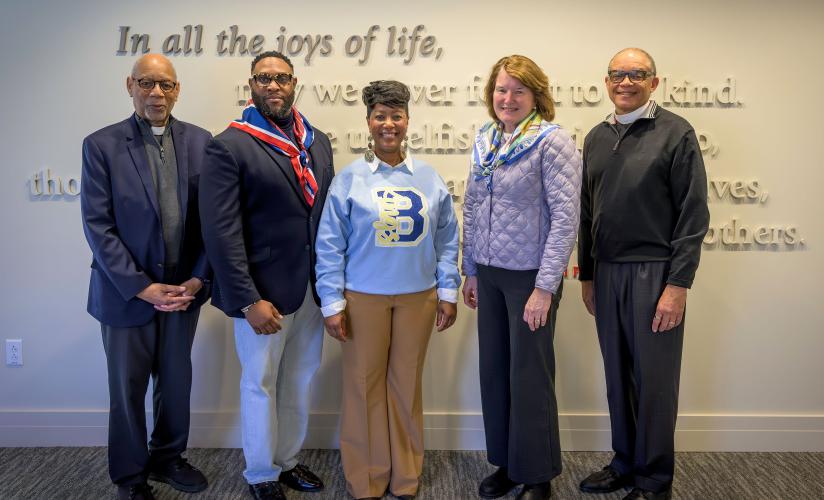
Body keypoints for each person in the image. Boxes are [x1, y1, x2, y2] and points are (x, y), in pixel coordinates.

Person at [315, 80, 460, 500]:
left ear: (408, 121)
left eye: (396, 116)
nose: (388, 124)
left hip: (418, 296)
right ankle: (367, 479)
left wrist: (448, 291)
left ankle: (406, 477)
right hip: (363, 298)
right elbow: (329, 244)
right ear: (368, 122)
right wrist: (332, 301)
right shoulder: (350, 180)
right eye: (380, 116)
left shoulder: (429, 178)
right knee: (363, 387)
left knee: (406, 384)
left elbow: (447, 239)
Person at [199, 51, 334, 500]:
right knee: (259, 385)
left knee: (298, 380)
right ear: (251, 85)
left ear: (295, 83)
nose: (273, 86)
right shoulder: (229, 145)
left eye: (281, 78)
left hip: (311, 291)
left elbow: (324, 221)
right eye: (264, 78)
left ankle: (289, 461)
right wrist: (246, 299)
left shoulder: (318, 142)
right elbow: (221, 233)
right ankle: (260, 474)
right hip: (262, 298)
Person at [577, 48, 710, 500]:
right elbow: (586, 211)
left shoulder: (676, 133)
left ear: (654, 82)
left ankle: (654, 479)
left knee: (653, 382)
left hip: (656, 275)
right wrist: (588, 276)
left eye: (637, 74)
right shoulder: (596, 137)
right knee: (618, 376)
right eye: (618, 74)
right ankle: (625, 463)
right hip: (608, 273)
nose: (626, 81)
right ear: (607, 80)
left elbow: (693, 215)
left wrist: (678, 285)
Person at [81, 54, 211, 500]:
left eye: (166, 85)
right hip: (126, 294)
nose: (157, 93)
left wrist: (197, 279)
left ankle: (168, 458)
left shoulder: (201, 141)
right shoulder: (101, 145)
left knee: (176, 383)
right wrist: (141, 286)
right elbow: (98, 226)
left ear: (178, 90)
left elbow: (213, 221)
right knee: (128, 389)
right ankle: (131, 477)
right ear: (130, 85)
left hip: (182, 292)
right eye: (147, 83)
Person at [461, 55, 582, 500]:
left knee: (530, 376)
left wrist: (545, 287)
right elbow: (472, 207)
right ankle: (509, 465)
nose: (507, 99)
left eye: (518, 91)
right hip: (490, 276)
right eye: (500, 89)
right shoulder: (487, 140)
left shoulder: (553, 143)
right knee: (496, 372)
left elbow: (566, 219)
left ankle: (538, 475)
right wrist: (471, 270)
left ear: (536, 97)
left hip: (530, 279)